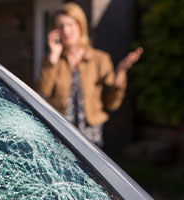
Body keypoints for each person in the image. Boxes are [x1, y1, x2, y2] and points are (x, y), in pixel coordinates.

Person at [35, 2, 143, 147]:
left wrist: (121, 72)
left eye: (70, 24)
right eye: (60, 26)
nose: (66, 31)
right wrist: (52, 59)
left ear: (80, 26)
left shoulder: (100, 59)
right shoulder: (52, 60)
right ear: (55, 31)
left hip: (91, 137)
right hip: (59, 135)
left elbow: (111, 103)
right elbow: (42, 94)